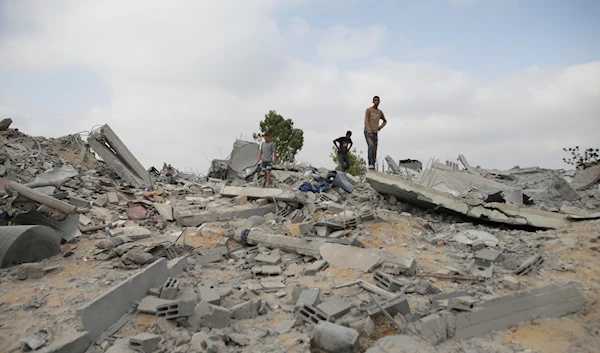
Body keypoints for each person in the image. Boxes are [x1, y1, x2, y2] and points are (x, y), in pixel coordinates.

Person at [364, 95, 387, 169]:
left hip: (375, 132)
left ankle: (373, 164)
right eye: (375, 100)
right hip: (368, 131)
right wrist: (369, 131)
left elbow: (385, 121)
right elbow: (366, 121)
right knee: (371, 145)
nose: (376, 102)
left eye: (378, 100)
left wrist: (380, 127)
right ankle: (370, 163)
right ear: (373, 101)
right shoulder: (369, 110)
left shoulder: (379, 112)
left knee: (375, 148)